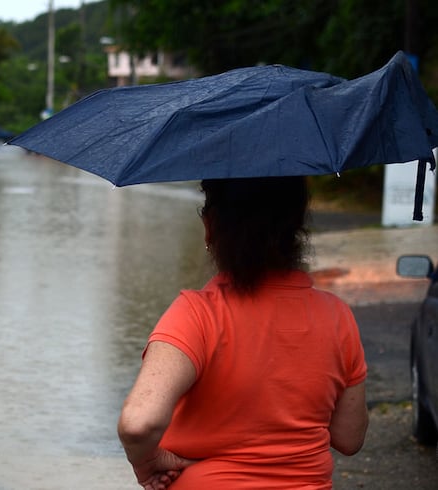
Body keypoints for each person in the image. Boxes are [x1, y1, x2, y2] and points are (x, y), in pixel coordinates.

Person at [118, 176, 368, 490]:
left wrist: (148, 463)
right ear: (296, 228)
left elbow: (138, 424)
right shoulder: (338, 317)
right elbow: (349, 437)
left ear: (210, 227)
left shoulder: (196, 315)